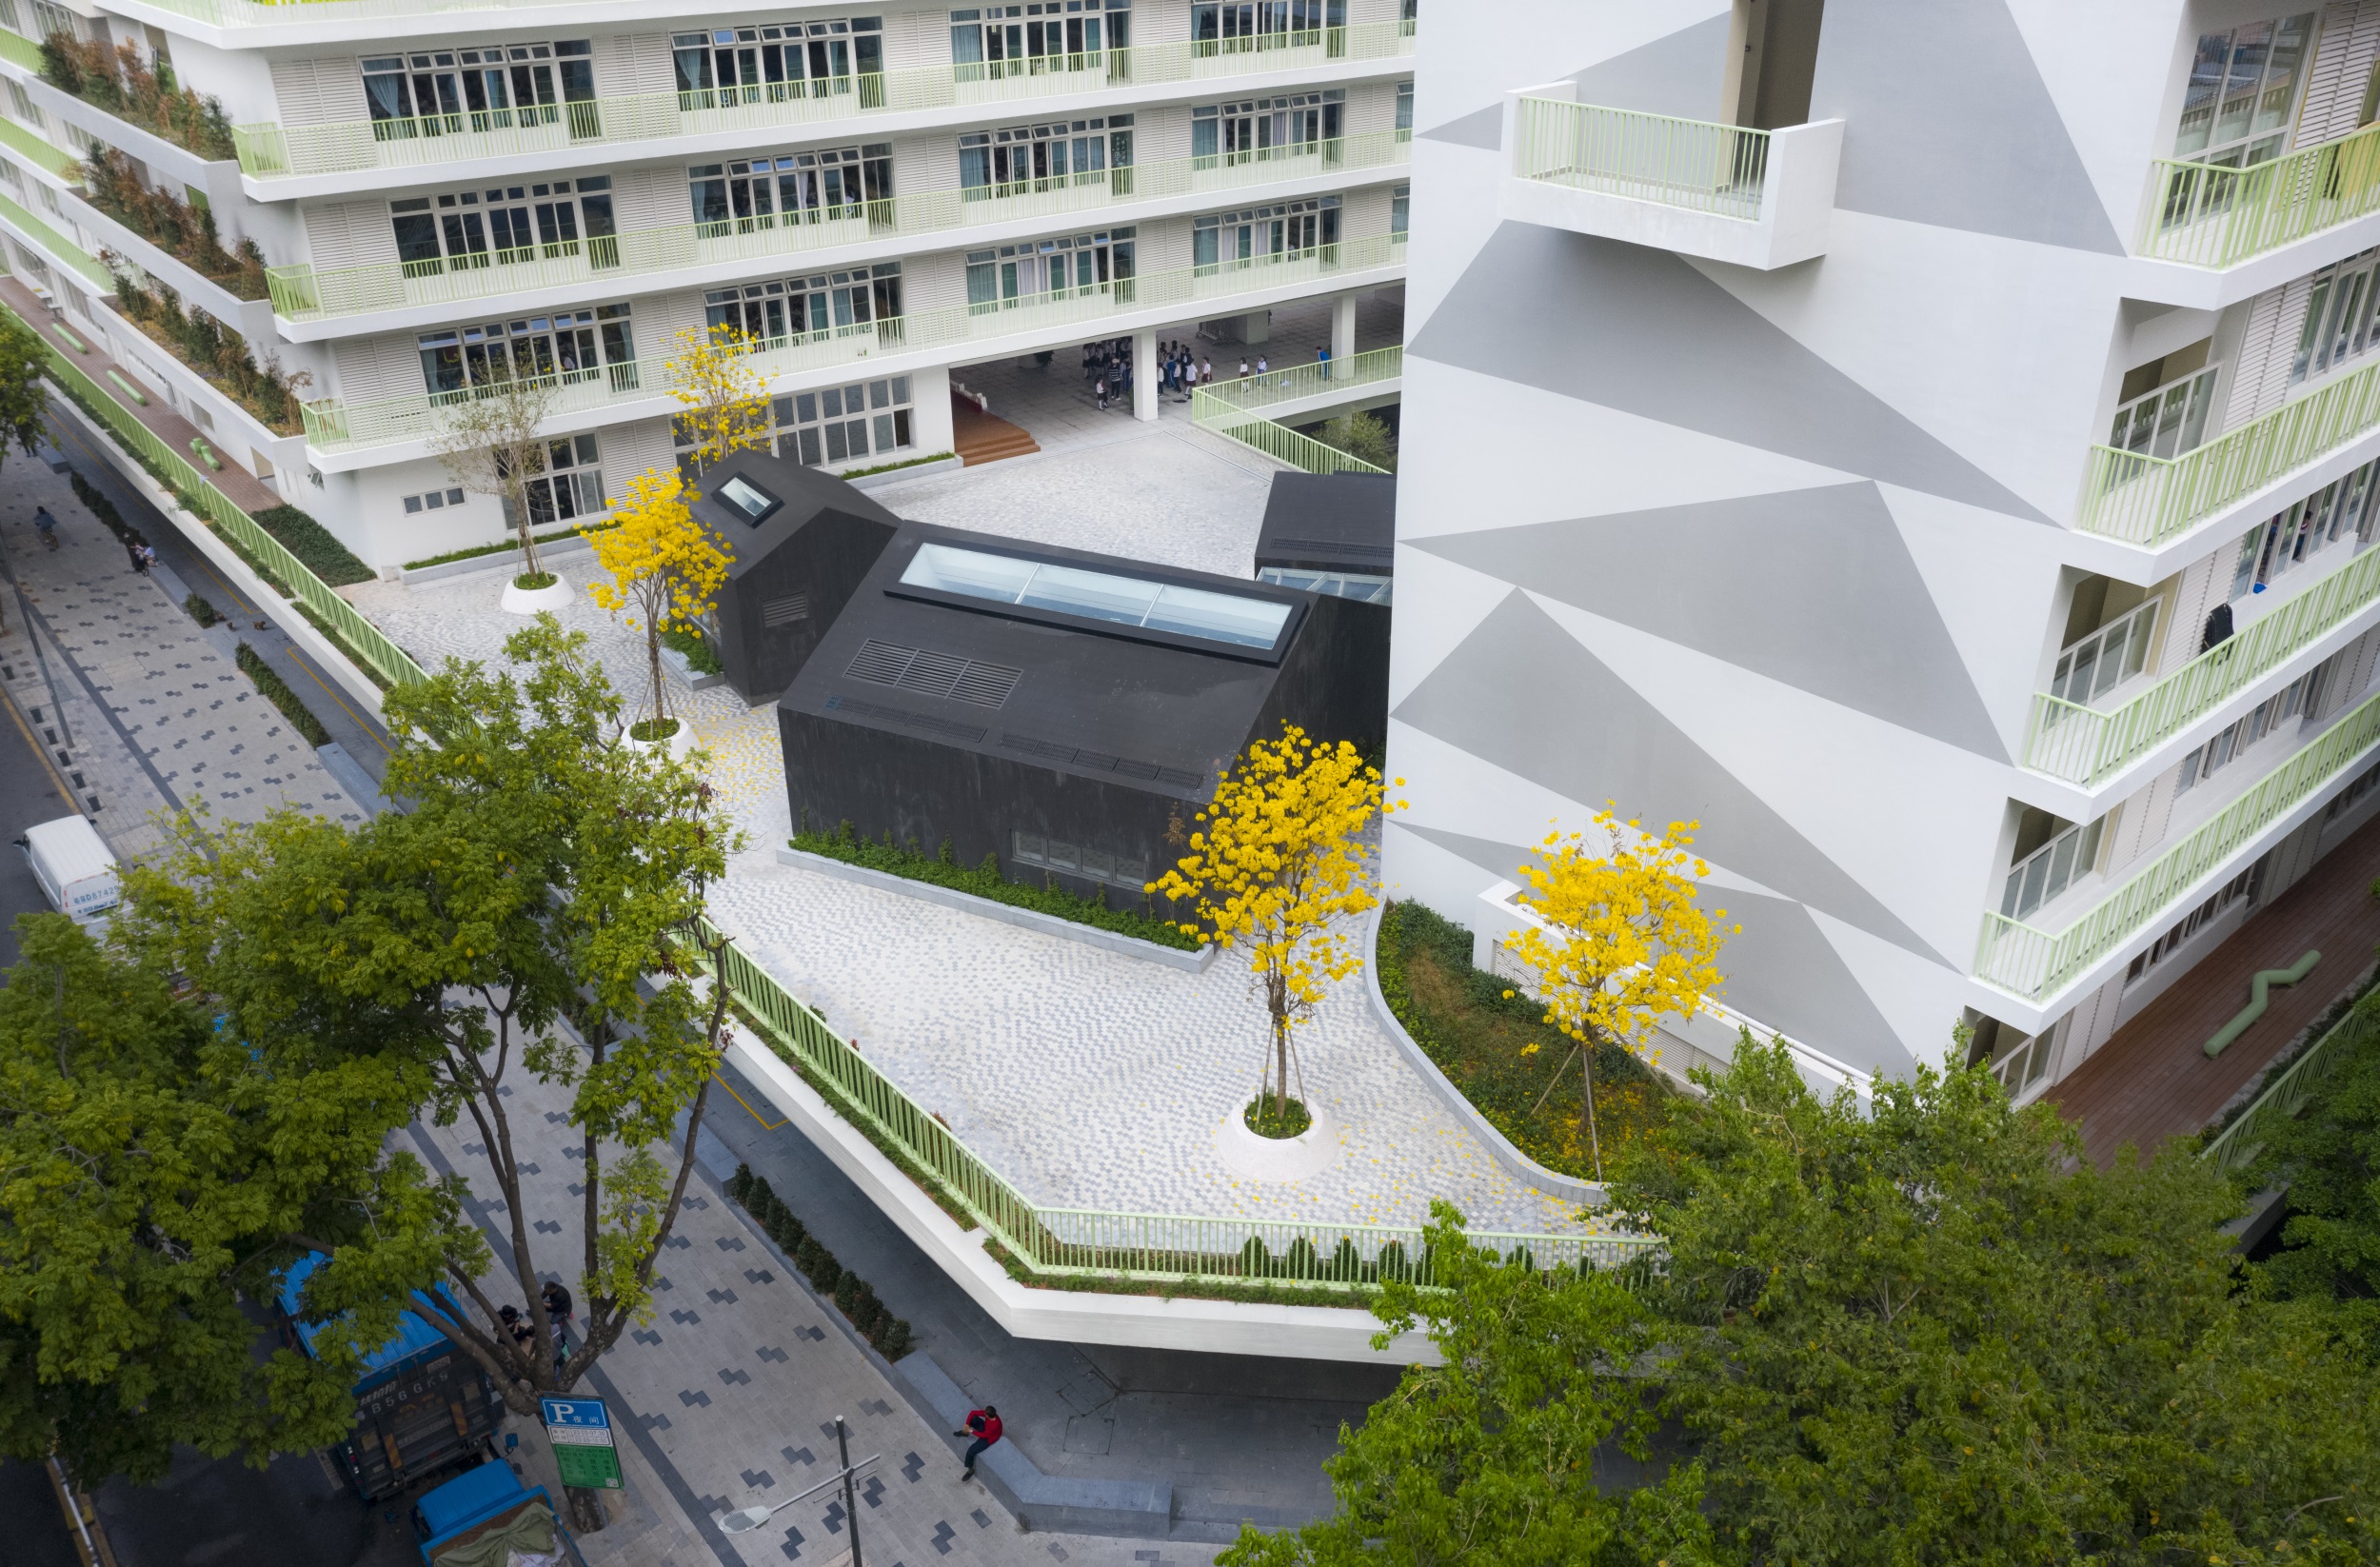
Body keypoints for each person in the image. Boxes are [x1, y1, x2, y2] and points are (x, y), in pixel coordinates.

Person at [954, 1405, 1002, 1481]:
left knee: (971, 1451)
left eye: (985, 1412)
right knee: (973, 1418)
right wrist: (966, 1426)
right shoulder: (990, 1415)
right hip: (986, 1429)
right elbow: (973, 1412)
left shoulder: (995, 1425)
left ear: (987, 1416)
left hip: (988, 1438)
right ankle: (964, 1433)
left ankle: (970, 1470)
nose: (984, 1411)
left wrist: (971, 1431)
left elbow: (984, 1435)